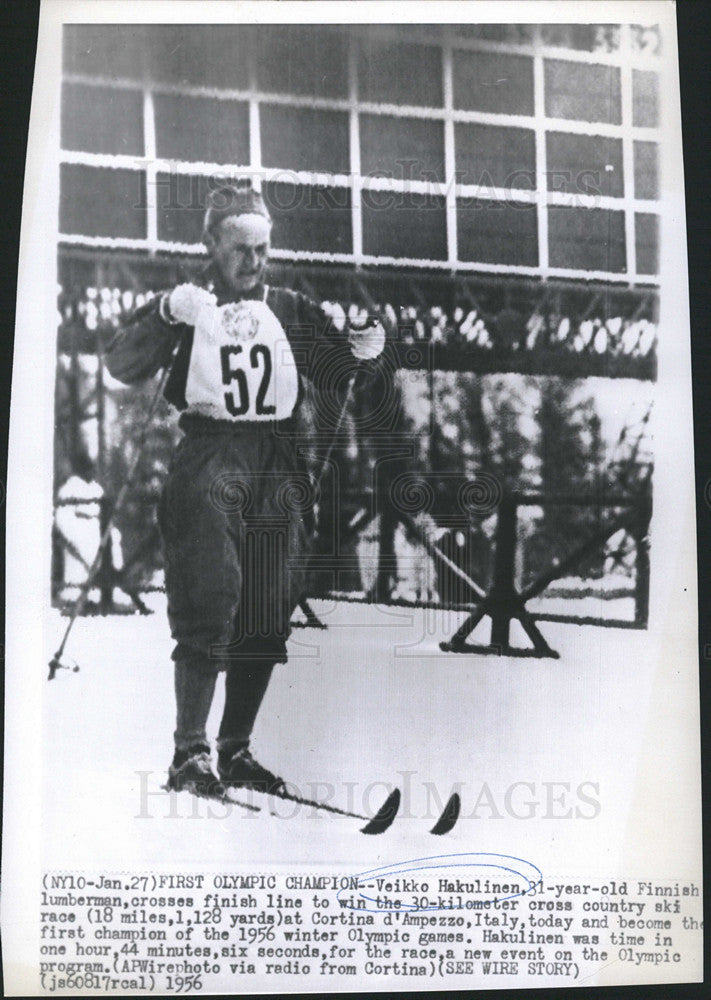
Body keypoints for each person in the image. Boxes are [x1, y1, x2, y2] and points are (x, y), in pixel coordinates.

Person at [106, 182, 385, 796]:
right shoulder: (189, 303)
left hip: (277, 457)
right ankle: (189, 752)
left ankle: (235, 748)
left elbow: (337, 371)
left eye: (262, 249)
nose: (253, 262)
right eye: (239, 249)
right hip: (211, 453)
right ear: (210, 243)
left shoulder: (286, 306)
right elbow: (121, 365)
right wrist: (160, 315)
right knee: (211, 587)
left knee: (270, 596)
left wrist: (362, 353)